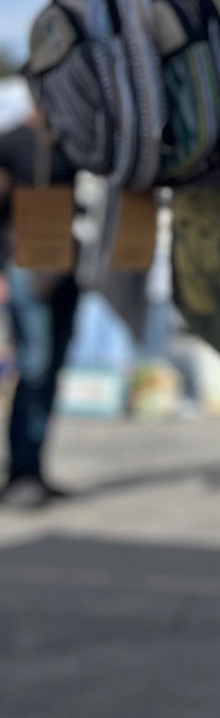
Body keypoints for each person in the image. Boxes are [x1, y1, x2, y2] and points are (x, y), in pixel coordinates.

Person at [0, 114, 80, 509]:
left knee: (49, 371)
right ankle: (21, 472)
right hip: (24, 266)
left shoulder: (74, 139)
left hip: (62, 265)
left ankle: (33, 469)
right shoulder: (13, 142)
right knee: (34, 367)